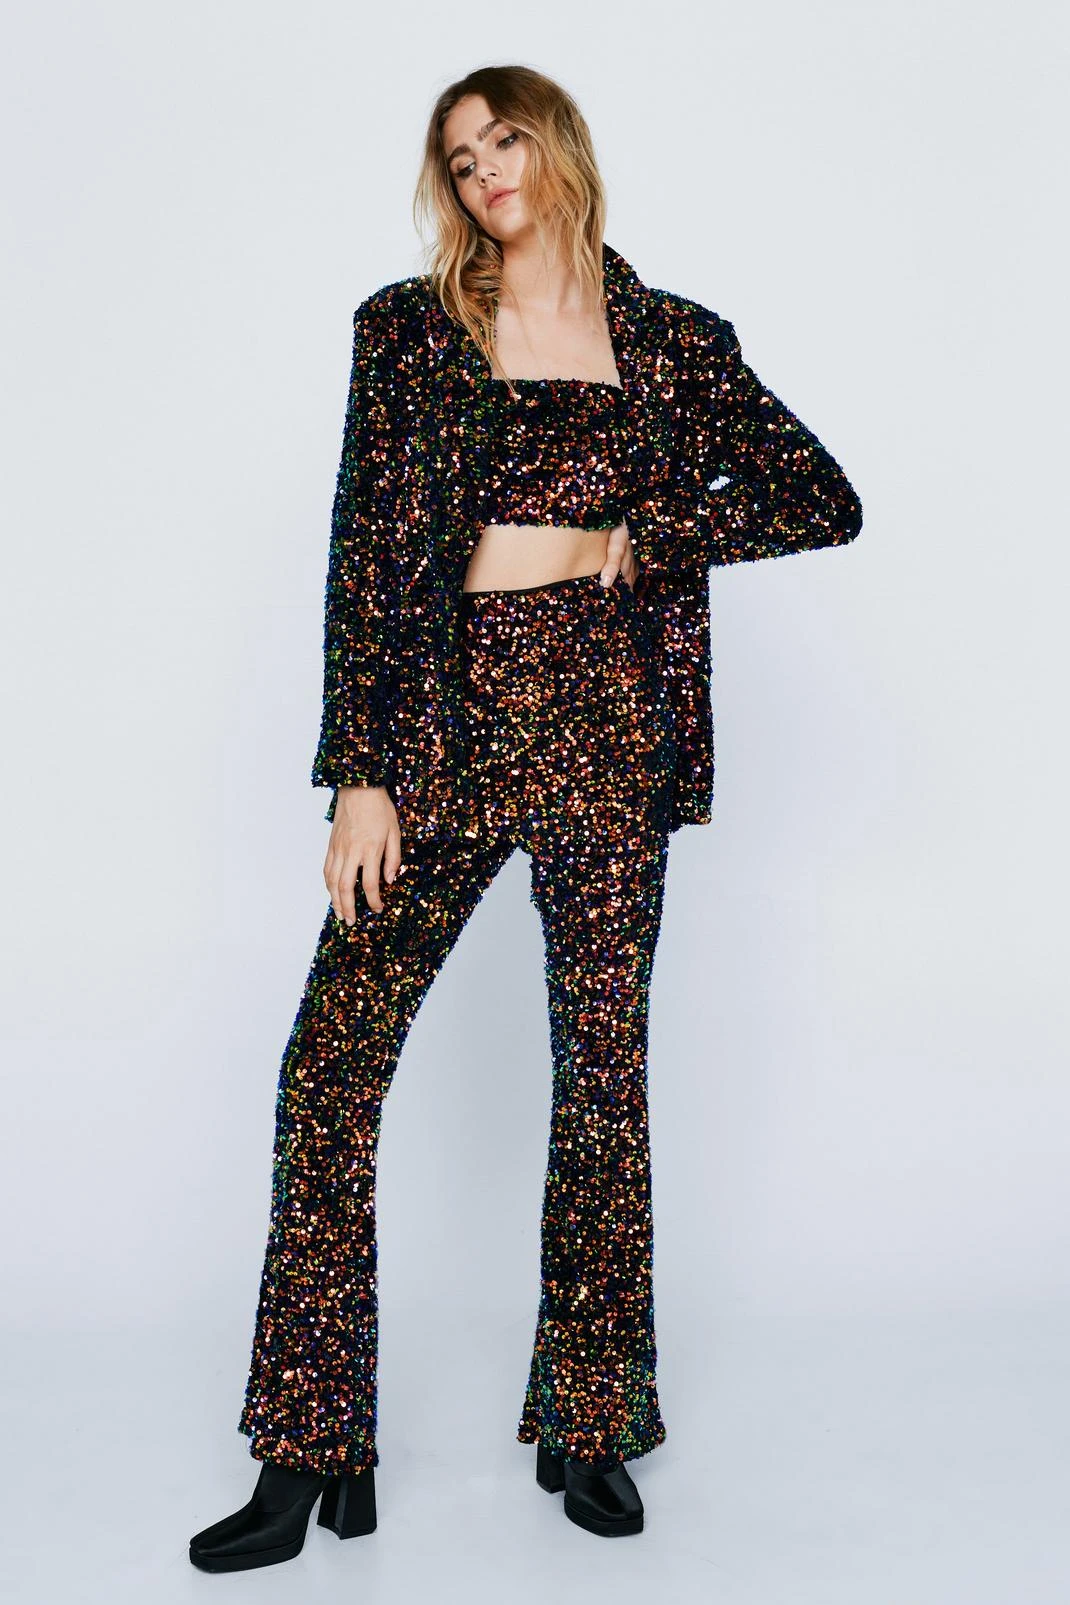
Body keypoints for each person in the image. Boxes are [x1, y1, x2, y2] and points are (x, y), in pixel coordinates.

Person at [189, 63, 863, 1571]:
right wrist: (360, 774)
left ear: (557, 146)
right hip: (446, 725)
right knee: (328, 1070)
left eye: (503, 139)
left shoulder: (674, 340)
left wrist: (648, 530)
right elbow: (366, 554)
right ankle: (307, 1445)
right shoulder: (408, 329)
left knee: (600, 1080)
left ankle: (588, 1420)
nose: (484, 169)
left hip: (608, 724)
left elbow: (820, 495)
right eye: (459, 156)